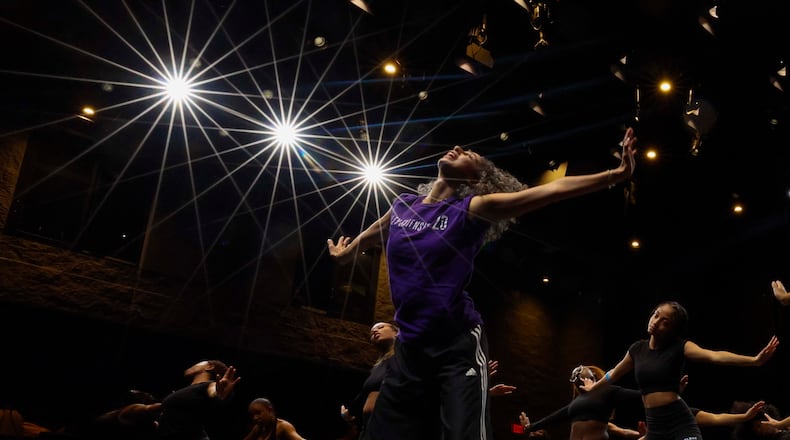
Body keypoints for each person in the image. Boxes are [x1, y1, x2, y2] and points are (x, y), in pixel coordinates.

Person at [327, 127, 637, 440]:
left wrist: (617, 173)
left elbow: (549, 192)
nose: (458, 145)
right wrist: (348, 253)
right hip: (410, 345)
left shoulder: (471, 210)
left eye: (469, 155)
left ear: (475, 180)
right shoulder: (403, 205)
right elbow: (377, 230)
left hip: (455, 344)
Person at [581, 301, 779, 440]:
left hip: (680, 421)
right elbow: (613, 373)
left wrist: (754, 360)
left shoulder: (680, 347)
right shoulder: (637, 349)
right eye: (656, 315)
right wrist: (594, 387)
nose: (656, 321)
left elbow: (714, 355)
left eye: (665, 322)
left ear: (672, 330)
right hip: (655, 426)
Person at [518, 364, 644, 440]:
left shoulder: (608, 392)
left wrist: (648, 434)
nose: (579, 370)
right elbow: (552, 418)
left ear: (593, 376)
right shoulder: (575, 404)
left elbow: (642, 396)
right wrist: (529, 427)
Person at [156, 359, 240, 440]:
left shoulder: (209, 385)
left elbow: (214, 391)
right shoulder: (188, 391)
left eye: (197, 363)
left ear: (210, 367)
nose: (192, 366)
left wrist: (219, 393)